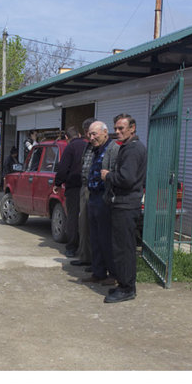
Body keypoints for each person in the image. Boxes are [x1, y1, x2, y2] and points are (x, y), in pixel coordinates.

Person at [102, 114, 147, 304]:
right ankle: (123, 284)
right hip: (122, 203)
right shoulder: (128, 147)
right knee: (120, 247)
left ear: (132, 128)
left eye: (121, 128)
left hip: (126, 205)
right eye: (116, 128)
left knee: (124, 248)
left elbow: (127, 178)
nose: (118, 132)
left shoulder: (133, 149)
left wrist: (108, 176)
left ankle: (127, 288)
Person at [83, 121, 116, 285]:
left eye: (94, 134)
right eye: (90, 134)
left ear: (104, 132)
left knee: (106, 238)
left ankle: (113, 274)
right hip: (94, 196)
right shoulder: (95, 150)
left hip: (104, 197)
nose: (91, 137)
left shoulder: (112, 148)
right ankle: (98, 272)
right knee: (94, 237)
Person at [52, 126, 87, 257]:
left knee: (72, 217)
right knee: (85, 218)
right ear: (79, 134)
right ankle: (85, 248)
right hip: (88, 187)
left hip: (73, 187)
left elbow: (62, 169)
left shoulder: (70, 148)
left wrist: (57, 183)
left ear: (66, 137)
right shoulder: (88, 145)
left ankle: (72, 247)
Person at [70, 118, 95, 268]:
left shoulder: (105, 148)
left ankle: (94, 261)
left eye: (91, 133)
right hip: (84, 187)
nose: (89, 136)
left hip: (95, 189)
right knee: (83, 225)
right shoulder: (88, 147)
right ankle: (85, 256)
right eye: (87, 132)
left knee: (93, 227)